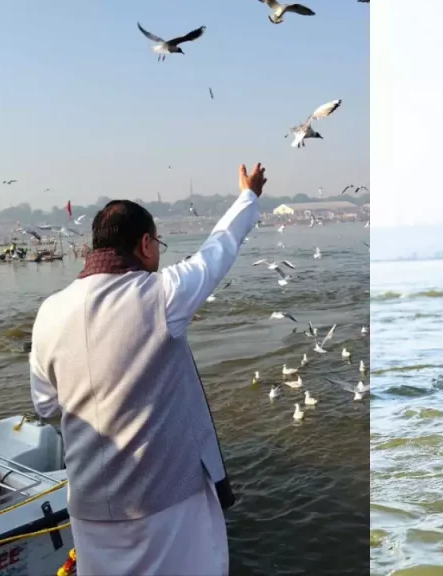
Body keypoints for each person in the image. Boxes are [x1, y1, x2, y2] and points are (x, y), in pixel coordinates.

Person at [29, 163, 267, 575]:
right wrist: (248, 195)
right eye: (159, 241)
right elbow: (218, 250)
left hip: (89, 509)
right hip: (165, 504)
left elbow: (47, 407)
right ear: (144, 244)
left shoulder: (48, 313)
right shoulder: (161, 295)